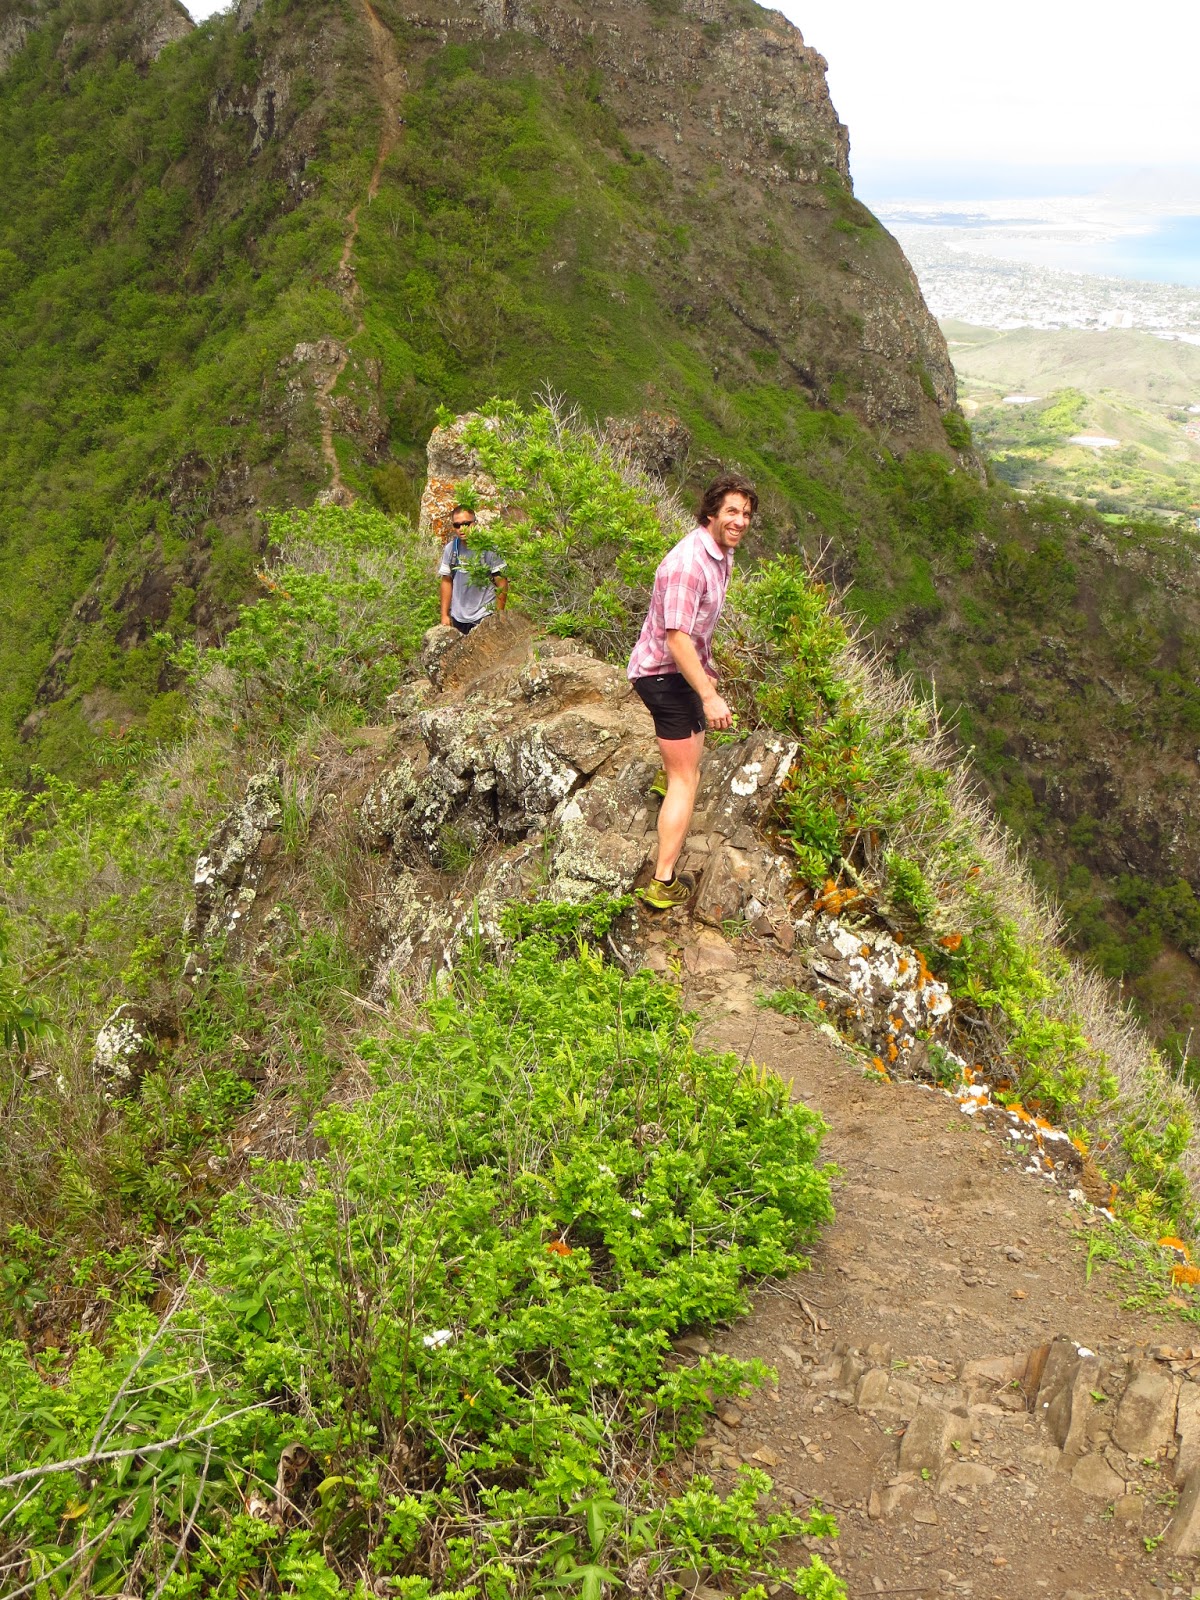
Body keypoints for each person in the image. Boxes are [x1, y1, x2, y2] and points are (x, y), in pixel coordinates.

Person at [627, 473, 757, 910]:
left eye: (745, 514)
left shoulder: (720, 555)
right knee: (685, 779)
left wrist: (706, 671)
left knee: (689, 768)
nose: (740, 521)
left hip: (679, 673)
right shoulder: (689, 563)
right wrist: (707, 693)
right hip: (664, 675)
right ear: (710, 514)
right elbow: (676, 638)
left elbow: (696, 633)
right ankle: (663, 882)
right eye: (731, 512)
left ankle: (670, 802)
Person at [438, 505, 508, 633]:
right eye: (457, 525)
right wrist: (444, 615)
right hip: (458, 618)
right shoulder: (451, 549)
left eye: (466, 524)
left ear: (474, 523)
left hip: (484, 615)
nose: (461, 529)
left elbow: (501, 582)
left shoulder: (489, 548)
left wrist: (499, 615)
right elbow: (446, 581)